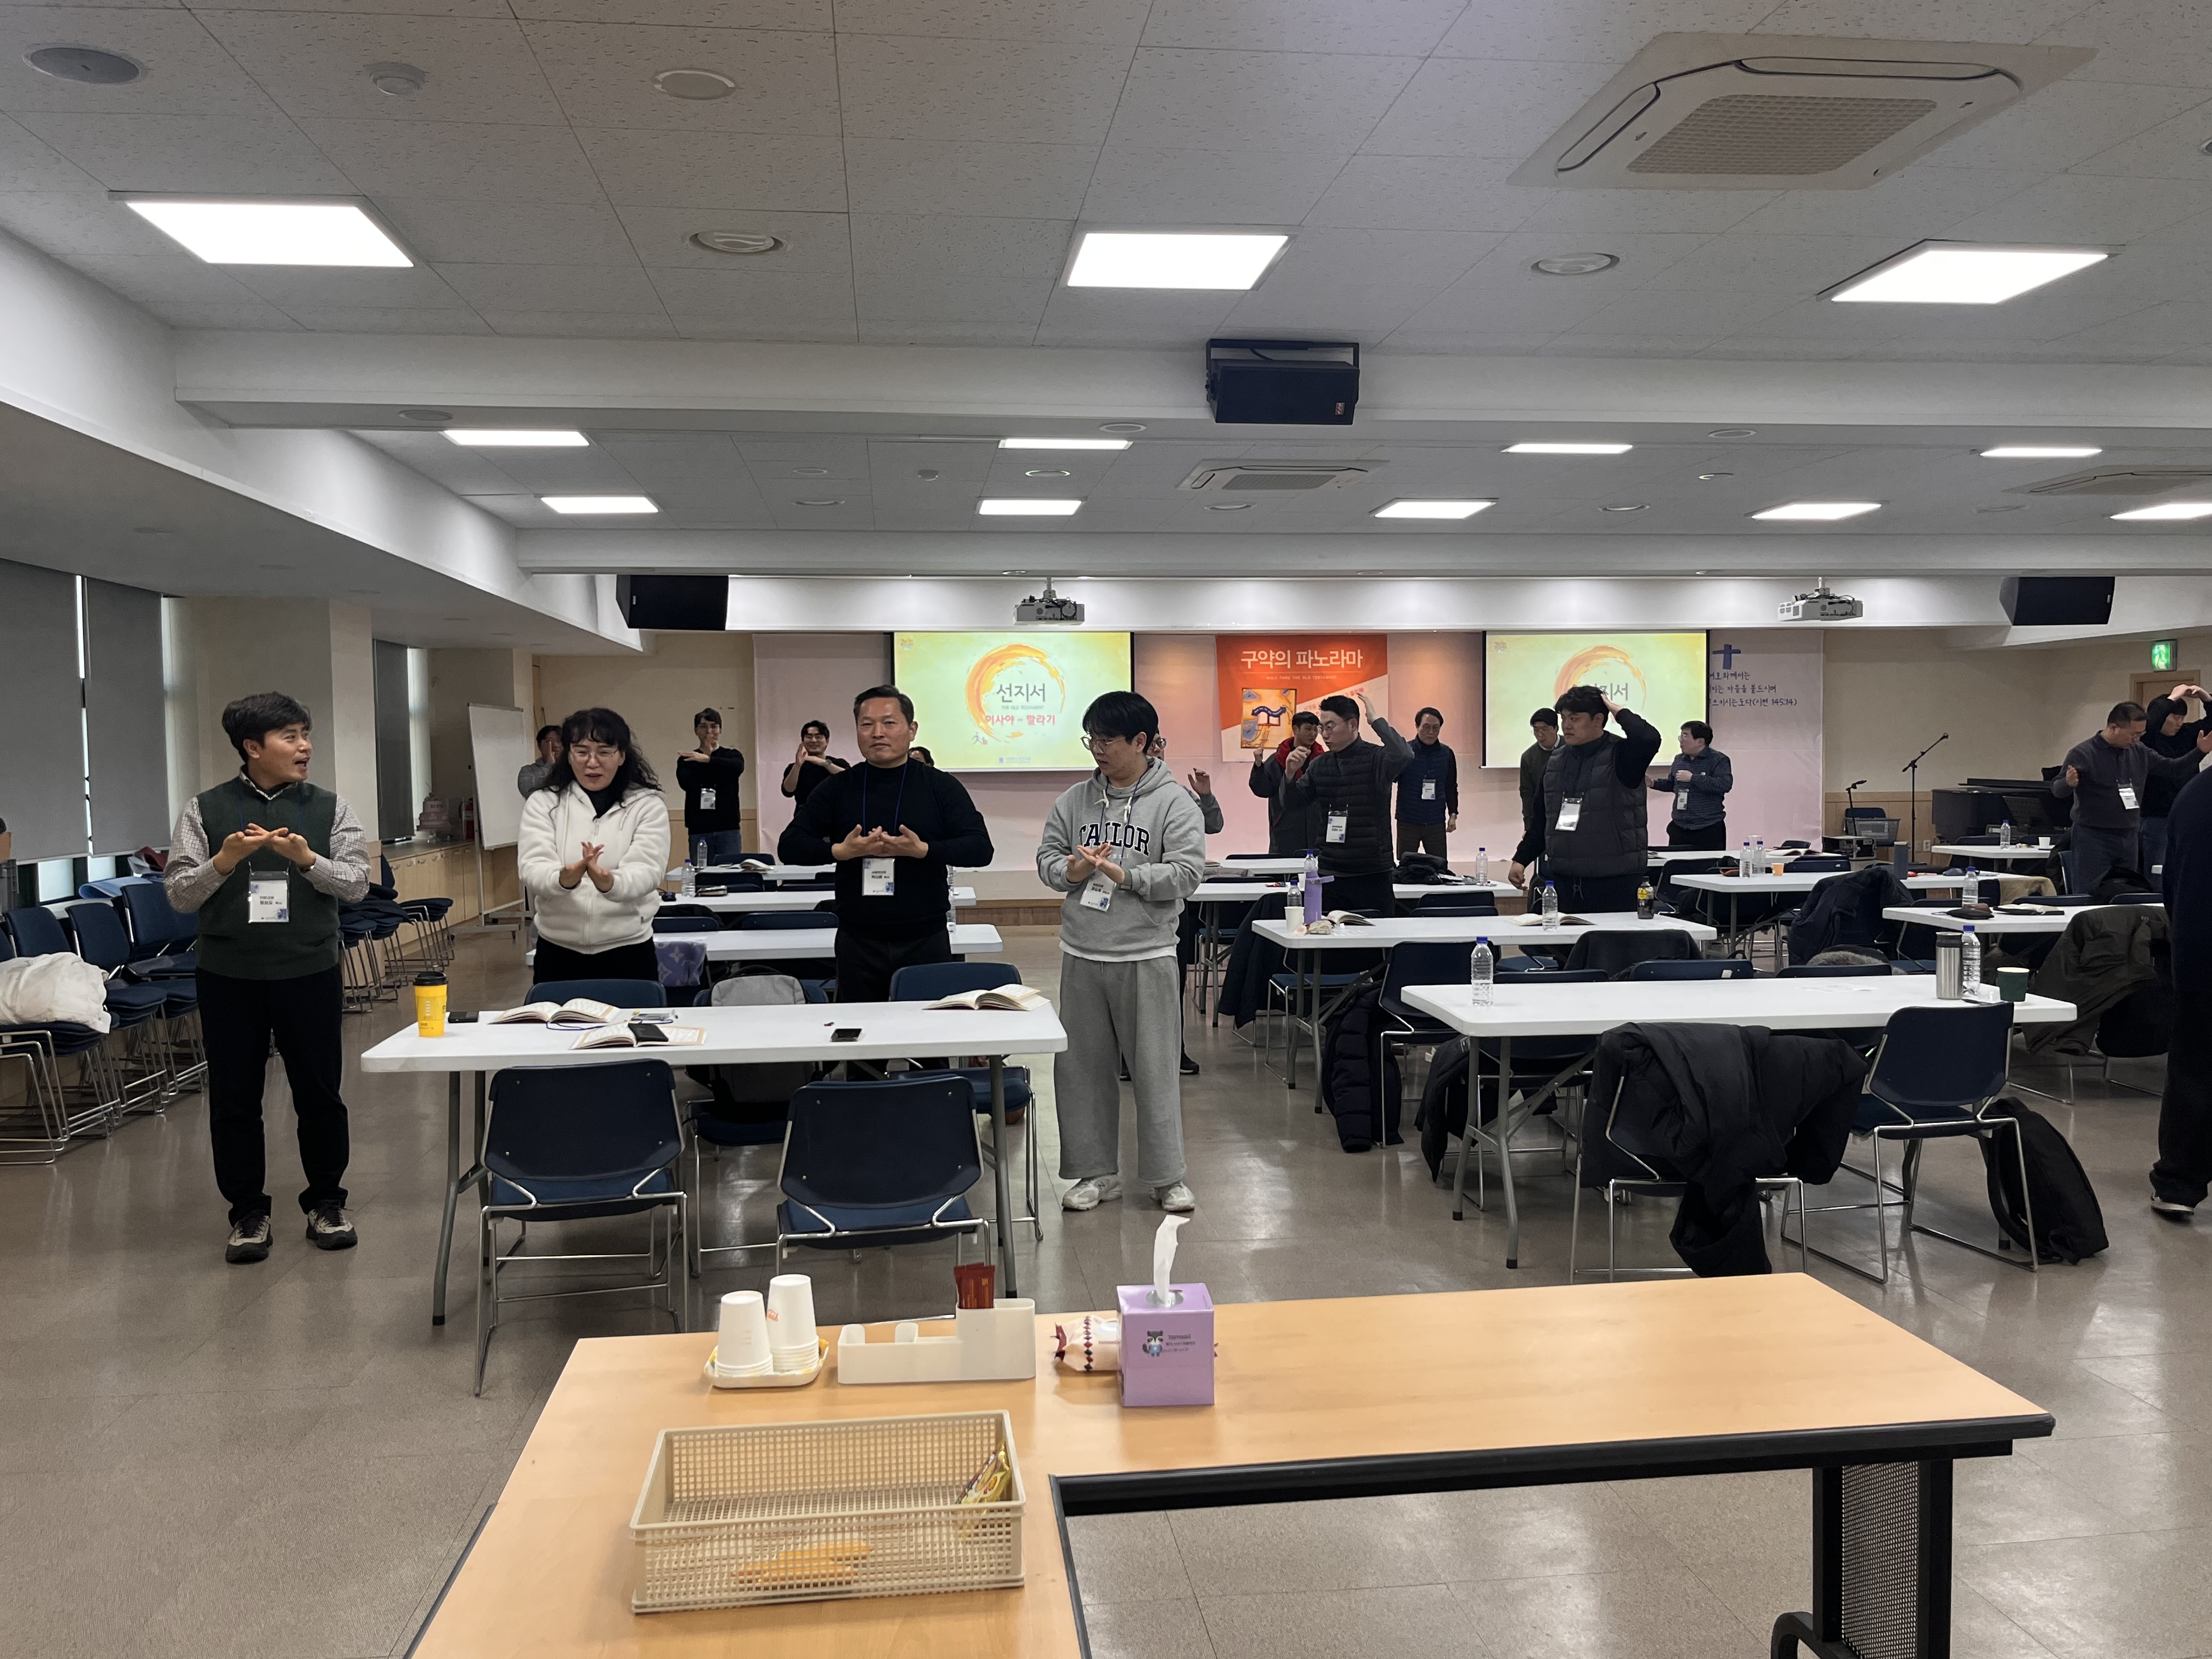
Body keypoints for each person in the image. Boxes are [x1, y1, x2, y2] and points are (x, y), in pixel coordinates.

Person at [163, 692, 371, 1265]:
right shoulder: (204, 810)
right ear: (253, 747)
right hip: (229, 976)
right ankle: (247, 1213)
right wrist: (223, 862)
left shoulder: (331, 808)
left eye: (306, 735)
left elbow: (357, 884)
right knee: (235, 1098)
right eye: (291, 737)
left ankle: (327, 1202)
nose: (305, 747)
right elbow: (179, 893)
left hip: (309, 970)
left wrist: (308, 861)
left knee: (320, 1094)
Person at [1037, 691, 1206, 1215]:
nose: (1098, 750)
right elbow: (1047, 859)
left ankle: (1166, 1177)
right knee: (1082, 1071)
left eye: (1107, 740)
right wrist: (1072, 870)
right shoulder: (1074, 800)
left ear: (1142, 742)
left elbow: (1187, 874)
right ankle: (1096, 1174)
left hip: (1146, 953)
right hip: (1083, 951)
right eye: (1091, 739)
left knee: (1155, 1071)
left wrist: (1126, 876)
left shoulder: (1175, 802)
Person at [779, 686, 993, 1003]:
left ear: (912, 730)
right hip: (858, 939)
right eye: (867, 724)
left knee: (928, 1032)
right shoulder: (838, 787)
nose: (877, 733)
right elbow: (789, 846)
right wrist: (840, 852)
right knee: (861, 1032)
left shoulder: (940, 785)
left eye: (889, 723)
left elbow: (980, 848)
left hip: (925, 936)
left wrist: (924, 851)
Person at [518, 708, 672, 985]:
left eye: (604, 752)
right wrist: (563, 879)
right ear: (568, 755)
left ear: (621, 756)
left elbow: (648, 869)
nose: (592, 763)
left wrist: (610, 882)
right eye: (582, 752)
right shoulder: (544, 803)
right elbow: (533, 866)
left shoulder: (647, 805)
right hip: (558, 950)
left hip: (628, 949)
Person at [1510, 685, 1661, 914]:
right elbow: (1543, 819)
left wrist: (1616, 710)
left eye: (1575, 718)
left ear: (1598, 719)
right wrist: (1521, 860)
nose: (1567, 725)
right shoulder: (1555, 761)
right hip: (1565, 880)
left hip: (1615, 882)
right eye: (1564, 718)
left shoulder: (1622, 755)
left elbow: (1649, 738)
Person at [2053, 699, 2211, 895]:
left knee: (2128, 894)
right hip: (2093, 837)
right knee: (2090, 894)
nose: (2137, 739)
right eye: (2133, 734)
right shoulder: (2084, 753)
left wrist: (2200, 752)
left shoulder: (2139, 751)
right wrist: (2068, 783)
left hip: (2129, 837)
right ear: (2114, 728)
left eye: (2141, 735)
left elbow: (2173, 769)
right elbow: (2057, 790)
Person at [1282, 691, 1412, 912]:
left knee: (1377, 932)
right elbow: (1292, 804)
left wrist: (1376, 721)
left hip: (1372, 872)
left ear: (1353, 725)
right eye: (1322, 728)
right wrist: (1290, 775)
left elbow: (1404, 754)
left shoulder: (1377, 758)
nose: (1324, 734)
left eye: (1330, 726)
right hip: (1331, 871)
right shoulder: (1319, 764)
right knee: (1328, 931)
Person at [2153, 766, 2212, 1221]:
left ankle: (2179, 1183)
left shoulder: (2194, 795)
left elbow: (2170, 882)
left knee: (2193, 1070)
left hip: (2197, 952)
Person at [2139, 685, 2210, 876]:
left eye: (2182, 718)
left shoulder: (2187, 734)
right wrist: (2173, 697)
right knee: (2157, 869)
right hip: (2157, 815)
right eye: (2175, 717)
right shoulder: (2147, 739)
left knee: (2187, 866)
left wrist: (2206, 698)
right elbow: (2151, 722)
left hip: (2187, 811)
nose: (2179, 722)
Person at [675, 707, 746, 865]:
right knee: (702, 874)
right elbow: (686, 783)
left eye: (714, 726)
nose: (709, 731)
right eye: (703, 726)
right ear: (696, 730)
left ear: (720, 730)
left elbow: (737, 768)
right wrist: (703, 757)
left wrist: (708, 759)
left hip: (728, 827)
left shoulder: (732, 755)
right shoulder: (687, 759)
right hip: (699, 828)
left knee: (731, 873)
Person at [1248, 710, 1324, 854]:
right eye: (1308, 729)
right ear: (1295, 729)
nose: (1313, 734)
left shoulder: (1322, 759)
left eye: (1316, 729)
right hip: (1285, 829)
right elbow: (1263, 790)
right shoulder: (1278, 759)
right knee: (1284, 866)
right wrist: (1258, 766)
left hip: (1318, 830)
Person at [1650, 720, 1733, 850]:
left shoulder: (1718, 760)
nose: (1681, 741)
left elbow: (1724, 785)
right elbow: (1672, 785)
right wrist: (1652, 783)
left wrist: (1693, 778)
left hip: (1708, 828)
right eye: (1681, 736)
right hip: (1680, 827)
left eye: (1685, 736)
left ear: (1700, 741)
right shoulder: (1679, 759)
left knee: (1708, 863)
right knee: (1676, 862)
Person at [1396, 706, 1458, 862]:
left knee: (1440, 865)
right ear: (1417, 727)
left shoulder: (1447, 753)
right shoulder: (1406, 752)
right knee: (1406, 866)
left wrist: (1453, 814)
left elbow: (1451, 786)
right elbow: (1391, 779)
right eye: (1426, 727)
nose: (1431, 732)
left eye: (1436, 728)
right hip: (1408, 820)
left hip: (1435, 821)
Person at [1510, 708, 1561, 878]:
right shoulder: (1529, 757)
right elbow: (1527, 794)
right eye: (1536, 730)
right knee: (1543, 864)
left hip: (1568, 815)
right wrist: (1528, 826)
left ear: (1556, 728)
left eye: (1544, 729)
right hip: (1543, 817)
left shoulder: (1570, 749)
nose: (1540, 734)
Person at [780, 719, 850, 808]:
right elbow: (788, 791)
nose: (813, 740)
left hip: (834, 815)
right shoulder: (795, 767)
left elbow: (850, 781)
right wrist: (798, 766)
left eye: (818, 737)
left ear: (827, 741)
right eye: (809, 737)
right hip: (805, 815)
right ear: (803, 741)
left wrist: (824, 763)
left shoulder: (839, 763)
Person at [516, 724, 562, 797]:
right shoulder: (528, 771)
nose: (556, 745)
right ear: (540, 745)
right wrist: (549, 765)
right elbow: (527, 790)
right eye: (549, 741)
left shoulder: (571, 768)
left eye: (559, 741)